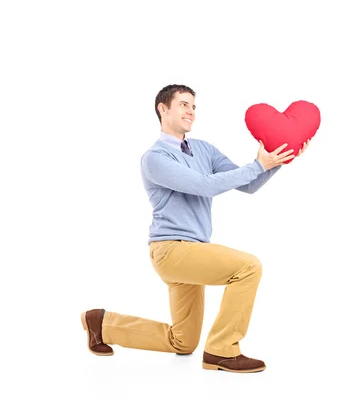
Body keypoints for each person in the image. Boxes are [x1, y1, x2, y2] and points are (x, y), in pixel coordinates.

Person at [80, 84, 309, 373]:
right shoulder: (155, 158)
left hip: (193, 251)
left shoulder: (203, 149)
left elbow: (248, 184)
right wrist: (259, 165)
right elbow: (204, 185)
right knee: (249, 267)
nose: (191, 111)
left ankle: (102, 324)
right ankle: (222, 350)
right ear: (163, 109)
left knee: (183, 341)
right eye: (184, 105)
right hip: (170, 250)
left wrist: (279, 158)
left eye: (194, 107)